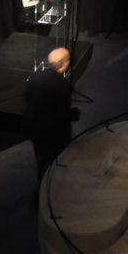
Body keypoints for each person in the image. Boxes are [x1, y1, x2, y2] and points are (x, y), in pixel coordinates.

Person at [22, 47, 77, 181]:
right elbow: (62, 115)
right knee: (51, 164)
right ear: (65, 64)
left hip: (35, 128)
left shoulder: (35, 75)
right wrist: (76, 113)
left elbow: (26, 96)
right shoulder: (63, 85)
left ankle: (41, 191)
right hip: (53, 134)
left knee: (41, 160)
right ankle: (46, 194)